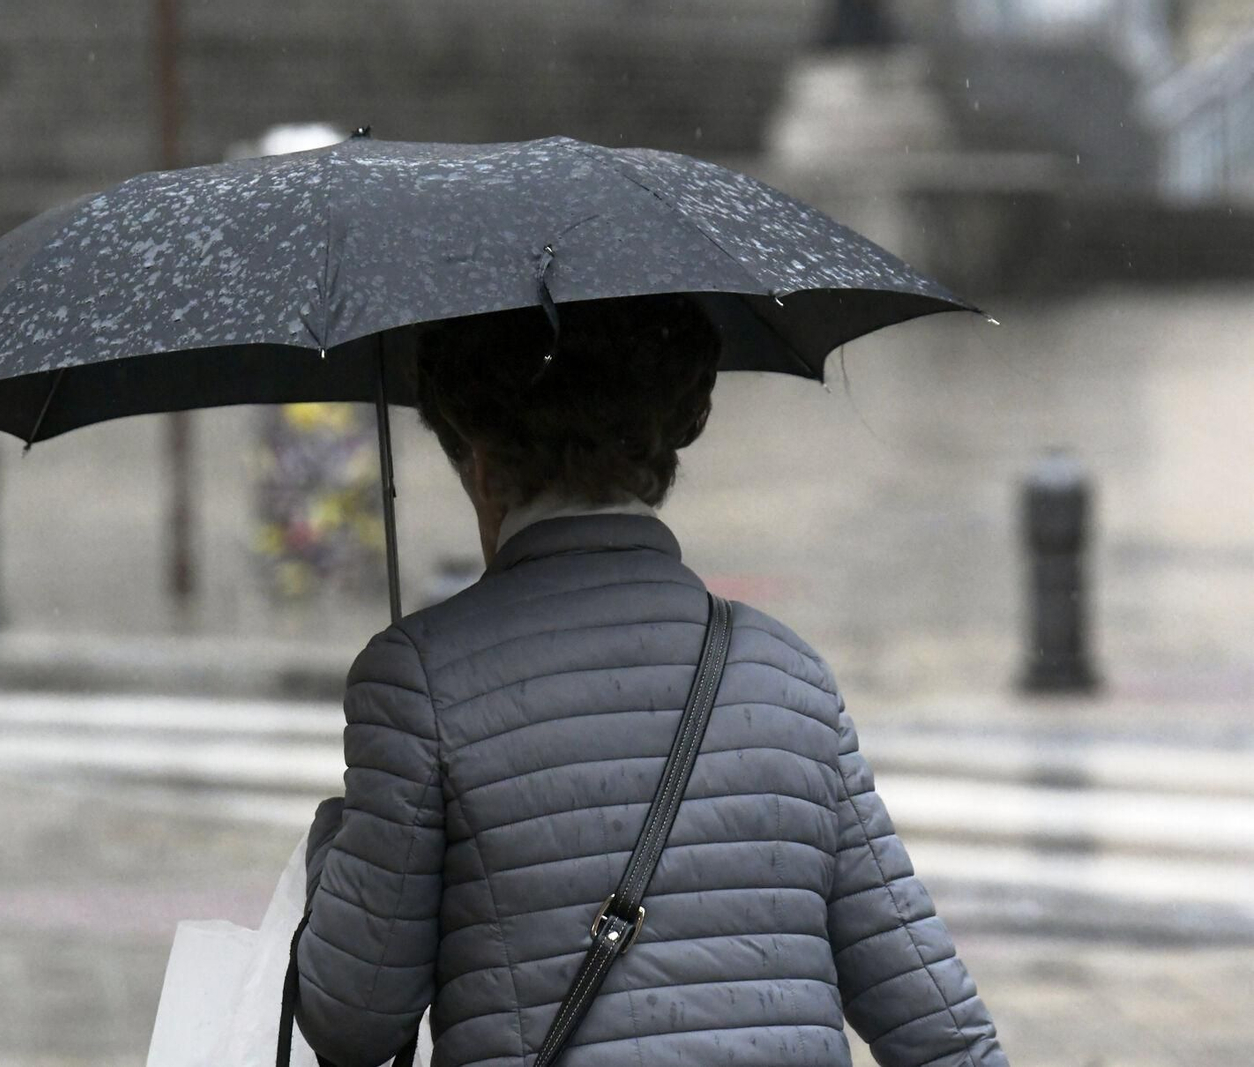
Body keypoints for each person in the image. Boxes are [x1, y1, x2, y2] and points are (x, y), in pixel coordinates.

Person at [292, 295, 1009, 1067]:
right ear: (662, 445)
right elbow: (942, 1033)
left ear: (481, 458)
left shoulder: (416, 680)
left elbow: (353, 1020)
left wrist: (340, 844)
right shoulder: (787, 673)